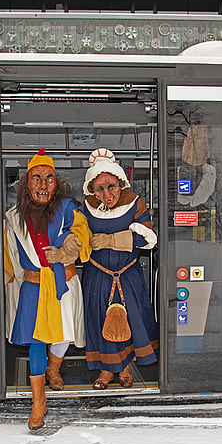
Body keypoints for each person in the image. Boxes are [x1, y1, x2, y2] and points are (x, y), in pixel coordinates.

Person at [3, 149, 91, 429]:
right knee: (36, 342)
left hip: (62, 283)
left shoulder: (67, 208)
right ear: (27, 183)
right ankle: (38, 402)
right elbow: (11, 258)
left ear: (57, 182)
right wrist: (13, 285)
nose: (43, 185)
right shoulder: (14, 217)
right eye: (37, 178)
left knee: (63, 336)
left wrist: (67, 252)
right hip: (33, 287)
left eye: (49, 178)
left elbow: (81, 236)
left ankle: (54, 369)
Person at [80, 148, 158, 389]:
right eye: (100, 188)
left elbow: (148, 239)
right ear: (92, 189)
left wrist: (113, 240)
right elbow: (78, 236)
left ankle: (124, 368)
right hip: (97, 276)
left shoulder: (135, 203)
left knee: (130, 321)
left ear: (120, 183)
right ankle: (105, 371)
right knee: (99, 321)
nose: (106, 193)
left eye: (111, 186)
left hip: (127, 276)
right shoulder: (85, 207)